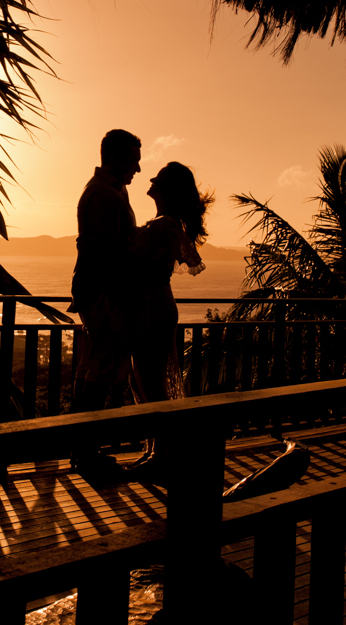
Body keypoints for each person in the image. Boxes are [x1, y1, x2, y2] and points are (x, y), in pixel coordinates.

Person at [125, 161, 213, 476]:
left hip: (151, 305)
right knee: (147, 380)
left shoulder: (163, 225)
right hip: (156, 304)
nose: (150, 179)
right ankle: (157, 449)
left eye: (158, 178)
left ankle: (161, 453)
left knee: (149, 381)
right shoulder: (166, 224)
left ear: (166, 189)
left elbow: (130, 256)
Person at [70, 129, 142, 420]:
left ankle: (80, 443)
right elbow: (108, 252)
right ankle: (86, 445)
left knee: (93, 363)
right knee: (102, 366)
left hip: (98, 288)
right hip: (103, 289)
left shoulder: (113, 189)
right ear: (115, 158)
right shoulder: (103, 194)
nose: (137, 168)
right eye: (133, 161)